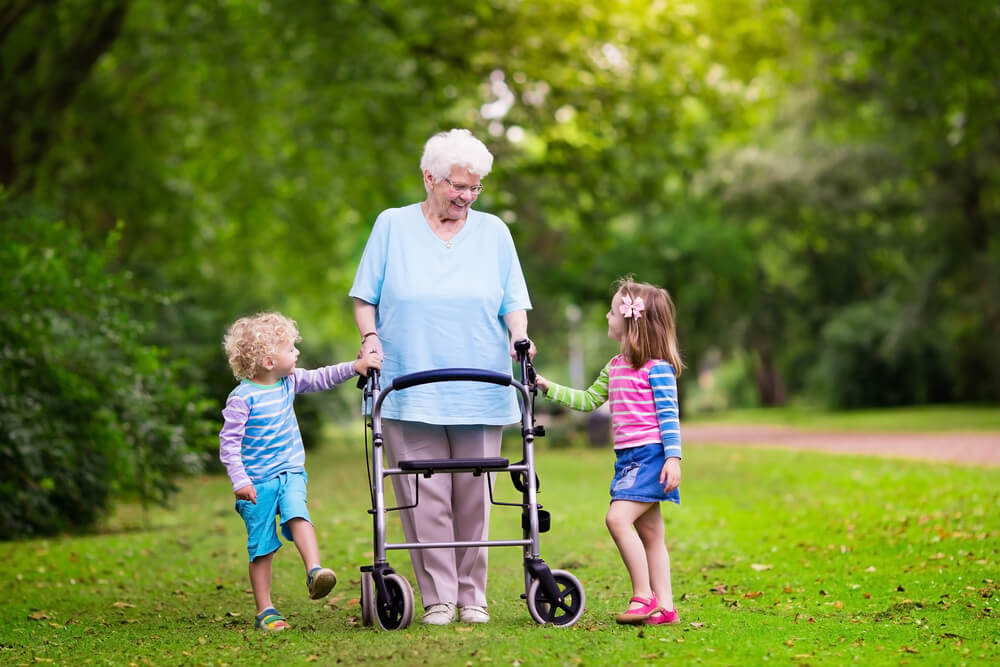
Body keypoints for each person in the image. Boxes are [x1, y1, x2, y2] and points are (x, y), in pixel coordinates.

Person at [350, 128, 534, 625]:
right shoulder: (392, 226)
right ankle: (438, 597)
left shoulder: (494, 231)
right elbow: (365, 297)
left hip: (480, 382)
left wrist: (520, 338)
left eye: (475, 188)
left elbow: (513, 300)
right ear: (429, 177)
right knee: (421, 495)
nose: (466, 197)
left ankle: (473, 596)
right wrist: (370, 340)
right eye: (458, 186)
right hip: (409, 382)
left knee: (473, 494)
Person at [535, 277, 684, 626]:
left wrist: (674, 458)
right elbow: (588, 400)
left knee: (617, 519)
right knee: (650, 534)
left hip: (650, 457)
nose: (606, 315)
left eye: (613, 310)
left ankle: (643, 596)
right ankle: (666, 607)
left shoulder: (657, 369)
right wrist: (548, 387)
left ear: (631, 320)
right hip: (627, 459)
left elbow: (669, 417)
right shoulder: (615, 366)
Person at [219, 311, 382, 632]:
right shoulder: (242, 399)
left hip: (290, 472)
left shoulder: (288, 382)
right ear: (269, 360)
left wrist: (354, 368)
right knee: (261, 548)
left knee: (298, 513)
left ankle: (315, 571)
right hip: (257, 484)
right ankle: (265, 610)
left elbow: (321, 377)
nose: (296, 353)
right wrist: (240, 480)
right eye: (290, 348)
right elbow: (229, 444)